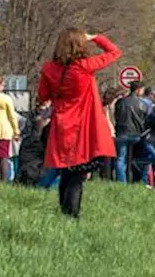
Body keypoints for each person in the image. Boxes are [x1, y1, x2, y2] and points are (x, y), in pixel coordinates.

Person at [36, 29, 121, 218]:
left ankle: (64, 212)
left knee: (66, 170)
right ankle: (72, 215)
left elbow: (43, 95)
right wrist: (96, 38)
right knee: (77, 174)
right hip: (82, 124)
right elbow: (114, 52)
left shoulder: (49, 68)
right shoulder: (84, 66)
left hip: (60, 122)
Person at [113, 82, 152, 183]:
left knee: (120, 158)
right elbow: (146, 119)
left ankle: (122, 182)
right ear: (138, 90)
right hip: (136, 135)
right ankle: (138, 179)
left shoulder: (120, 102)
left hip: (122, 133)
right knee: (138, 156)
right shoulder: (143, 104)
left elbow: (116, 116)